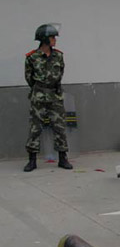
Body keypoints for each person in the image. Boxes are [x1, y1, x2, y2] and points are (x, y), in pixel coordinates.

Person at [23, 24, 73, 172]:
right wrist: (39, 90)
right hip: (38, 96)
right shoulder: (32, 57)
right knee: (35, 128)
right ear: (44, 39)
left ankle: (63, 158)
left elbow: (60, 74)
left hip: (55, 96)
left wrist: (53, 88)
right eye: (52, 37)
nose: (54, 40)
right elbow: (29, 78)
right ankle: (32, 160)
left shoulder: (58, 55)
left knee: (60, 127)